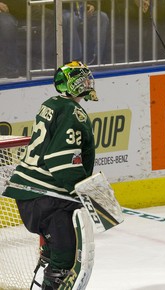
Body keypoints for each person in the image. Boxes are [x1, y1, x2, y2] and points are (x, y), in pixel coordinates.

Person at [3, 61, 98, 289]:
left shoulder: (51, 104)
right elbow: (61, 160)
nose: (89, 83)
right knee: (65, 260)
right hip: (47, 198)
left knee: (56, 253)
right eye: (84, 79)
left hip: (31, 195)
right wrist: (82, 190)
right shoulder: (74, 113)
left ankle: (49, 257)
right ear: (74, 84)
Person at [0, 1, 19, 78]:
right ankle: (10, 68)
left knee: (8, 24)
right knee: (7, 24)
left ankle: (12, 69)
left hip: (12, 11)